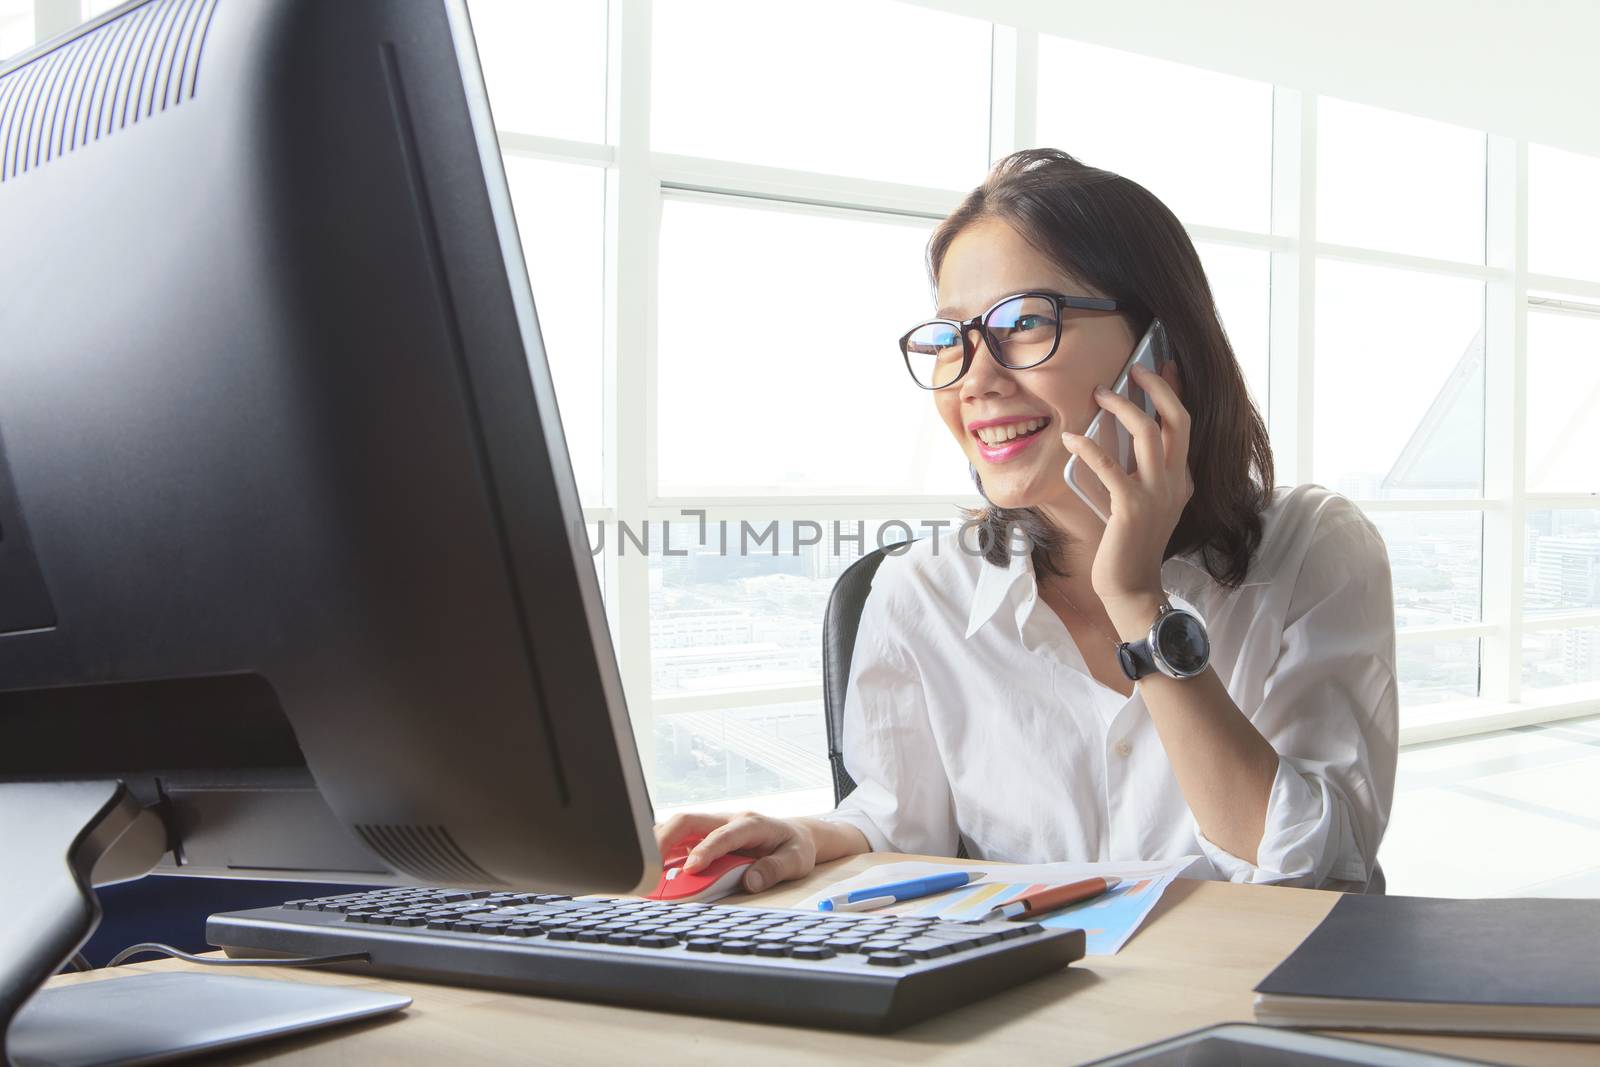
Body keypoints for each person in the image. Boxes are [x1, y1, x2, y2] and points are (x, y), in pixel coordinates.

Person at [656, 148, 1398, 894]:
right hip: (1034, 1005)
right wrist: (817, 835)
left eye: (1023, 322)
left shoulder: (1317, 548)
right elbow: (902, 823)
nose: (976, 377)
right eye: (951, 337)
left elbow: (1319, 871)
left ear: (1159, 352)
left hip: (1242, 1000)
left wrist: (1138, 600)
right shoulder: (922, 589)